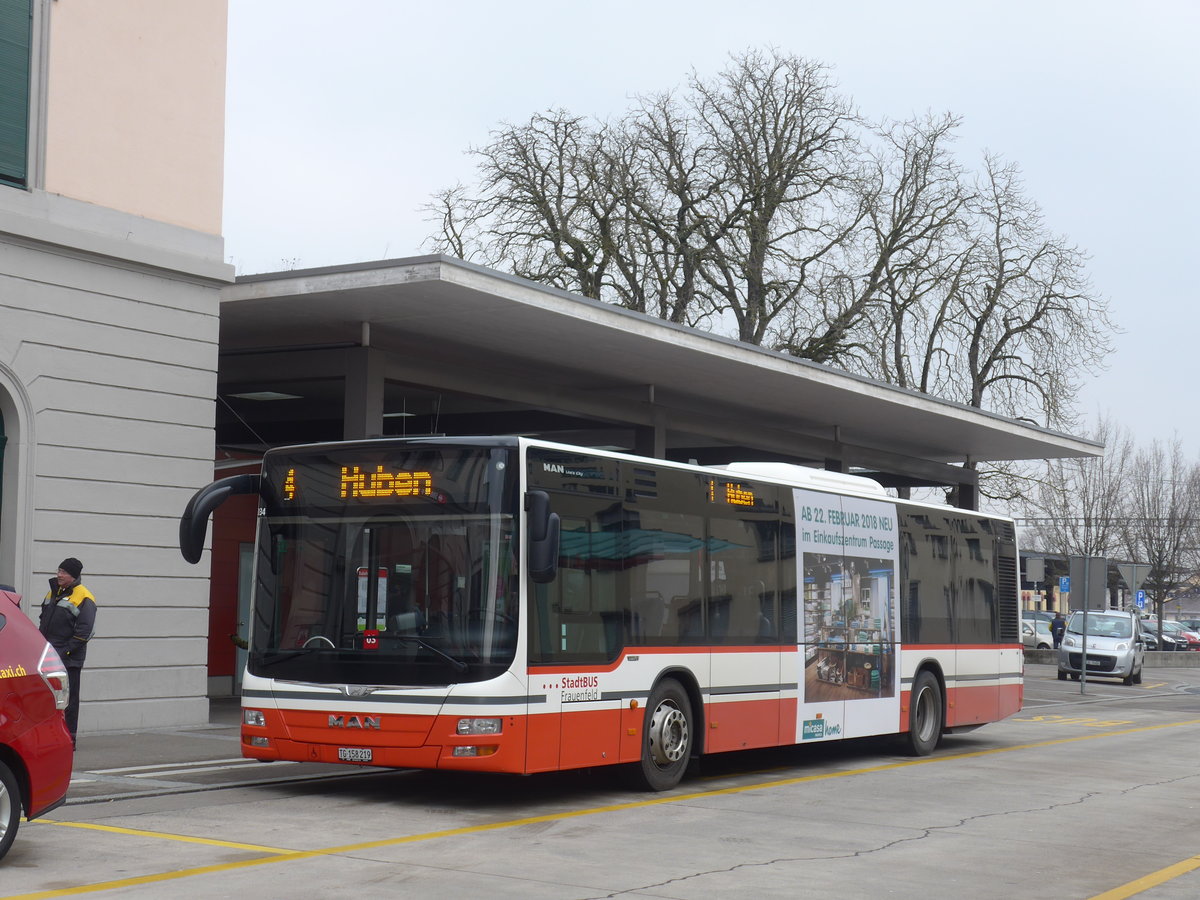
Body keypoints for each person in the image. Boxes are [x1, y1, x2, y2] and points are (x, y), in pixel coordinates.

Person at [39, 557, 96, 747]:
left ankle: (69, 740)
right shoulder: (53, 592)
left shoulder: (84, 597)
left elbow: (83, 633)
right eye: (59, 570)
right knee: (48, 700)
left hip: (68, 659)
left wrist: (64, 653)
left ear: (73, 576)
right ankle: (51, 739)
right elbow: (43, 620)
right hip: (49, 656)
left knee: (69, 703)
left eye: (63, 572)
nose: (59, 574)